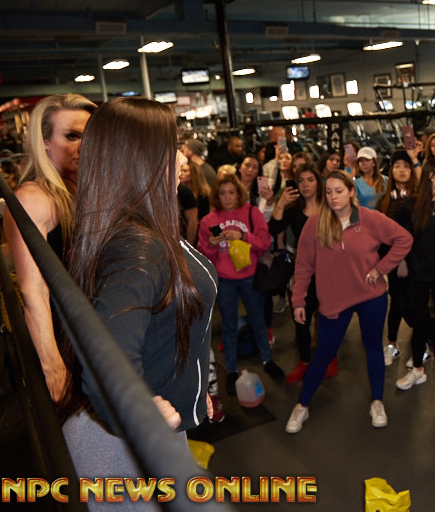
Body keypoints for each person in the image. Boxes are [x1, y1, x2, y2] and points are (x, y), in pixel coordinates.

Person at [61, 97, 217, 492]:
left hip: (152, 434)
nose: (182, 157)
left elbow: (164, 319)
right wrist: (139, 414)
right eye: (172, 146)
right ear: (141, 160)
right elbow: (105, 363)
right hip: (125, 454)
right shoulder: (139, 246)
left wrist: (192, 387)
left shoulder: (147, 228)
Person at [285, 170, 412, 433]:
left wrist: (381, 269)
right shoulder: (315, 224)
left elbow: (404, 239)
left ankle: (377, 402)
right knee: (323, 354)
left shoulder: (370, 219)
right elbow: (303, 265)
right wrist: (298, 300)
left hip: (371, 296)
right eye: (329, 192)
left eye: (339, 191)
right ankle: (302, 405)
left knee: (373, 348)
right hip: (334, 300)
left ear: (352, 192)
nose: (333, 197)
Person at [4, 93, 95, 403]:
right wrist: (54, 369)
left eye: (88, 135)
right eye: (71, 136)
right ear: (44, 143)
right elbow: (34, 292)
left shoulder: (83, 188)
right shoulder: (34, 198)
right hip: (71, 343)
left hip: (101, 333)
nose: (84, 145)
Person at [197, 174, 284, 394]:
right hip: (225, 280)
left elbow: (264, 243)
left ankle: (267, 359)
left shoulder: (252, 213)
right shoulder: (208, 220)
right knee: (228, 326)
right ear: (216, 196)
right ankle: (232, 370)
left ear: (238, 194)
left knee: (258, 320)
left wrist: (243, 236)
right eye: (222, 193)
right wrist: (211, 244)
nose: (227, 197)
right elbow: (203, 255)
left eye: (231, 192)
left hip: (250, 277)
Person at [395, 158, 435, 402]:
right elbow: (397, 236)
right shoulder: (408, 206)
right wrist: (401, 261)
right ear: (431, 176)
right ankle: (418, 370)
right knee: (419, 325)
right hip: (418, 274)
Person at [267, 165, 326, 383]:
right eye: (301, 181)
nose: (305, 185)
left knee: (328, 317)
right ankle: (304, 361)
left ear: (318, 182)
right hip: (304, 271)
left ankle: (329, 357)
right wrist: (281, 202)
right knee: (301, 318)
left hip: (330, 271)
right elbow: (274, 229)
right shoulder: (293, 210)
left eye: (310, 179)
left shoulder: (329, 206)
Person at [377, 149, 418, 365]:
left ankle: (422, 343)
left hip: (416, 260)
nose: (402, 170)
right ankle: (392, 344)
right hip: (394, 261)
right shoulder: (384, 201)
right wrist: (396, 260)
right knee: (397, 302)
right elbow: (382, 234)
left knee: (412, 303)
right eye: (397, 166)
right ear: (391, 171)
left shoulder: (418, 198)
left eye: (406, 166)